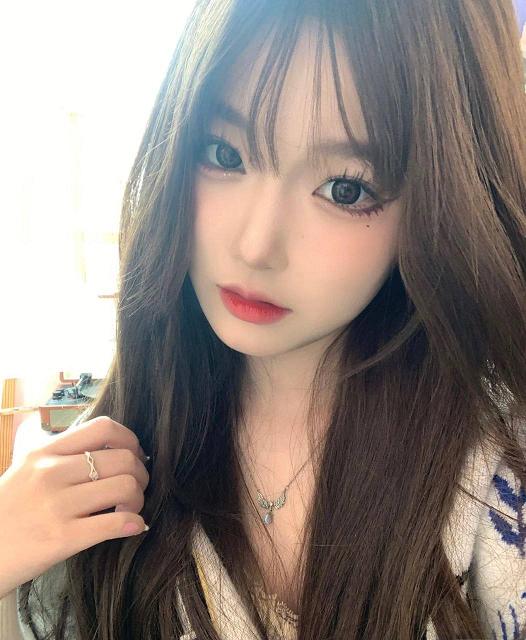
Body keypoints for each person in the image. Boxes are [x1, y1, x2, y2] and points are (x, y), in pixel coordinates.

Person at [2, 0, 526, 638]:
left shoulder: (496, 466)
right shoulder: (119, 444)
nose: (255, 247)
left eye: (346, 189)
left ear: (441, 203)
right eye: (224, 153)